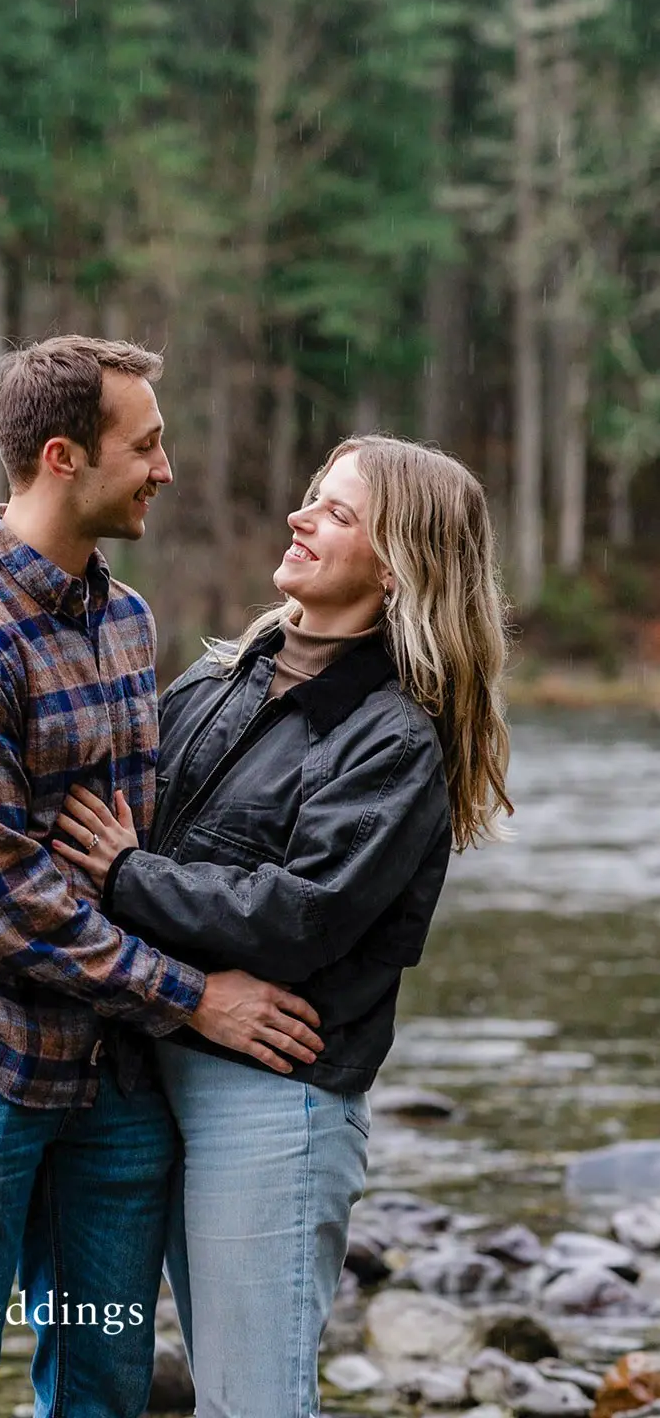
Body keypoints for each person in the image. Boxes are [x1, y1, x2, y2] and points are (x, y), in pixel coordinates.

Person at [0, 334, 324, 1418]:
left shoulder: (125, 620)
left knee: (106, 1385)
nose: (166, 467)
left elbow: (131, 840)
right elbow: (4, 908)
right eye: (145, 444)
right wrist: (197, 998)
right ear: (63, 456)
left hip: (104, 1076)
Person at [49, 435, 513, 1418]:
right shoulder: (221, 678)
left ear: (395, 565)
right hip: (153, 1053)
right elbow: (102, 799)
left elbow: (297, 916)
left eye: (336, 512)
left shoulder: (390, 735)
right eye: (311, 499)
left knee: (251, 1403)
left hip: (272, 1096)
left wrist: (127, 877)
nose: (300, 518)